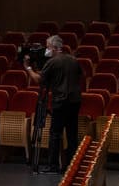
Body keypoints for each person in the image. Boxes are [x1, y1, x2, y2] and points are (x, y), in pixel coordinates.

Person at [31, 36, 85, 174]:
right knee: (72, 135)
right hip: (75, 101)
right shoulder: (73, 60)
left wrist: (28, 68)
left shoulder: (53, 61)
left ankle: (53, 166)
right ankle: (71, 166)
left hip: (60, 101)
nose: (46, 49)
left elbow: (39, 79)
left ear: (54, 48)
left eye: (48, 46)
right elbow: (80, 75)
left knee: (55, 134)